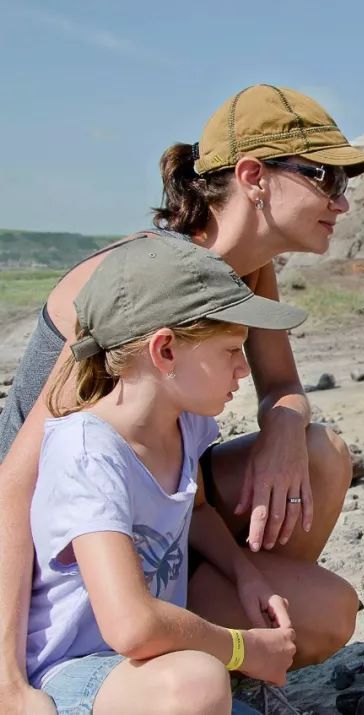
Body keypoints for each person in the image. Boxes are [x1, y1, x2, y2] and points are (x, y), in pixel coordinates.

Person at [0, 84, 364, 714]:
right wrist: (7, 684)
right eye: (324, 176)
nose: (342, 200)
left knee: (319, 476)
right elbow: (17, 484)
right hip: (51, 567)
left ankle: (208, 659)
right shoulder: (135, 288)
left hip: (152, 533)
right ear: (253, 176)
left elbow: (282, 388)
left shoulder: (249, 270)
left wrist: (283, 429)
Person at [28, 235, 305, 715]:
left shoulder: (184, 418)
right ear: (165, 352)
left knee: (202, 682)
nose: (244, 369)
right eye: (229, 350)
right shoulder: (89, 453)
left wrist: (246, 576)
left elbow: (191, 510)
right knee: (197, 683)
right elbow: (131, 626)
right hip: (77, 675)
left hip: (144, 669)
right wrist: (243, 649)